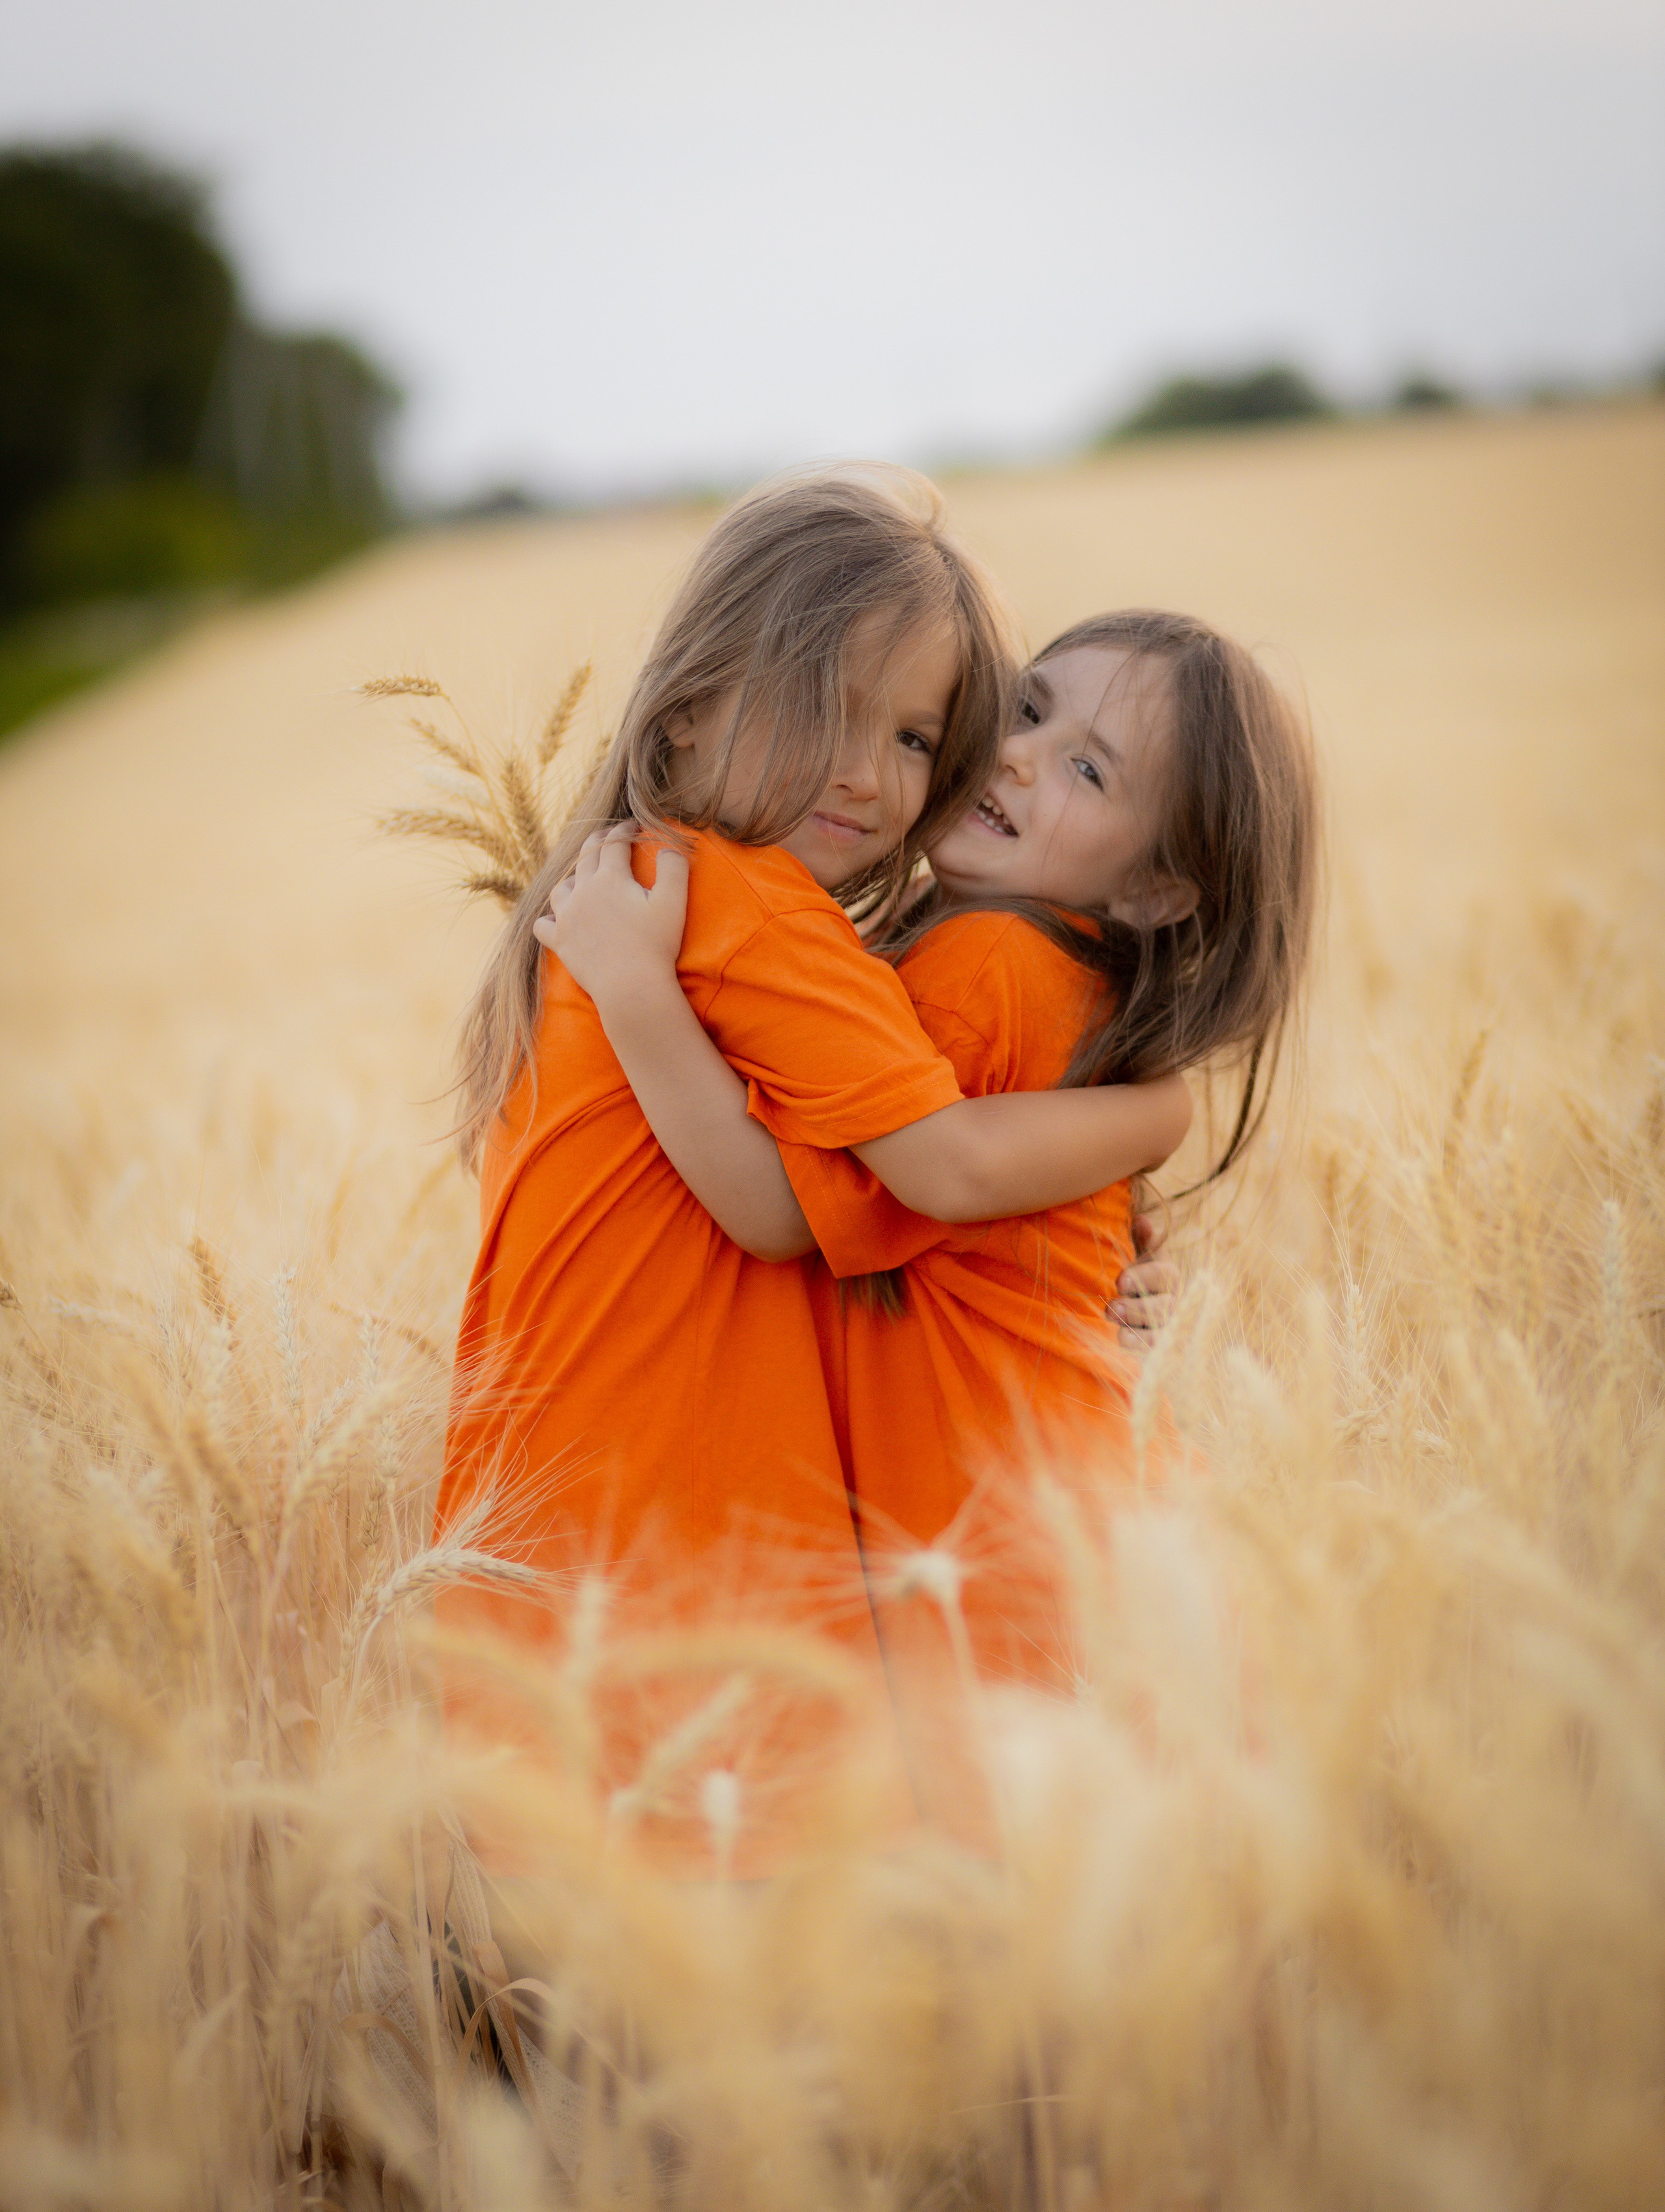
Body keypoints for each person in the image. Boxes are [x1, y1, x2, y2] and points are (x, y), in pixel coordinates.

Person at [436, 471, 1189, 1872]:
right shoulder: (748, 910)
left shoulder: (634, 885)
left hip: (535, 1506)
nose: (870, 772)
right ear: (683, 712)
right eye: (828, 711)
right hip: (699, 1505)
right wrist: (1155, 1118)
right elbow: (814, 1201)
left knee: (583, 1934)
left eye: (911, 736)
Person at [540, 608, 1319, 1833]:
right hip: (1078, 1517)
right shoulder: (1065, 984)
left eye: (1088, 768)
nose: (1016, 756)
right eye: (1028, 708)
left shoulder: (983, 968)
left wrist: (635, 990)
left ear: (1160, 884)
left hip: (1002, 1547)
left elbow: (777, 1205)